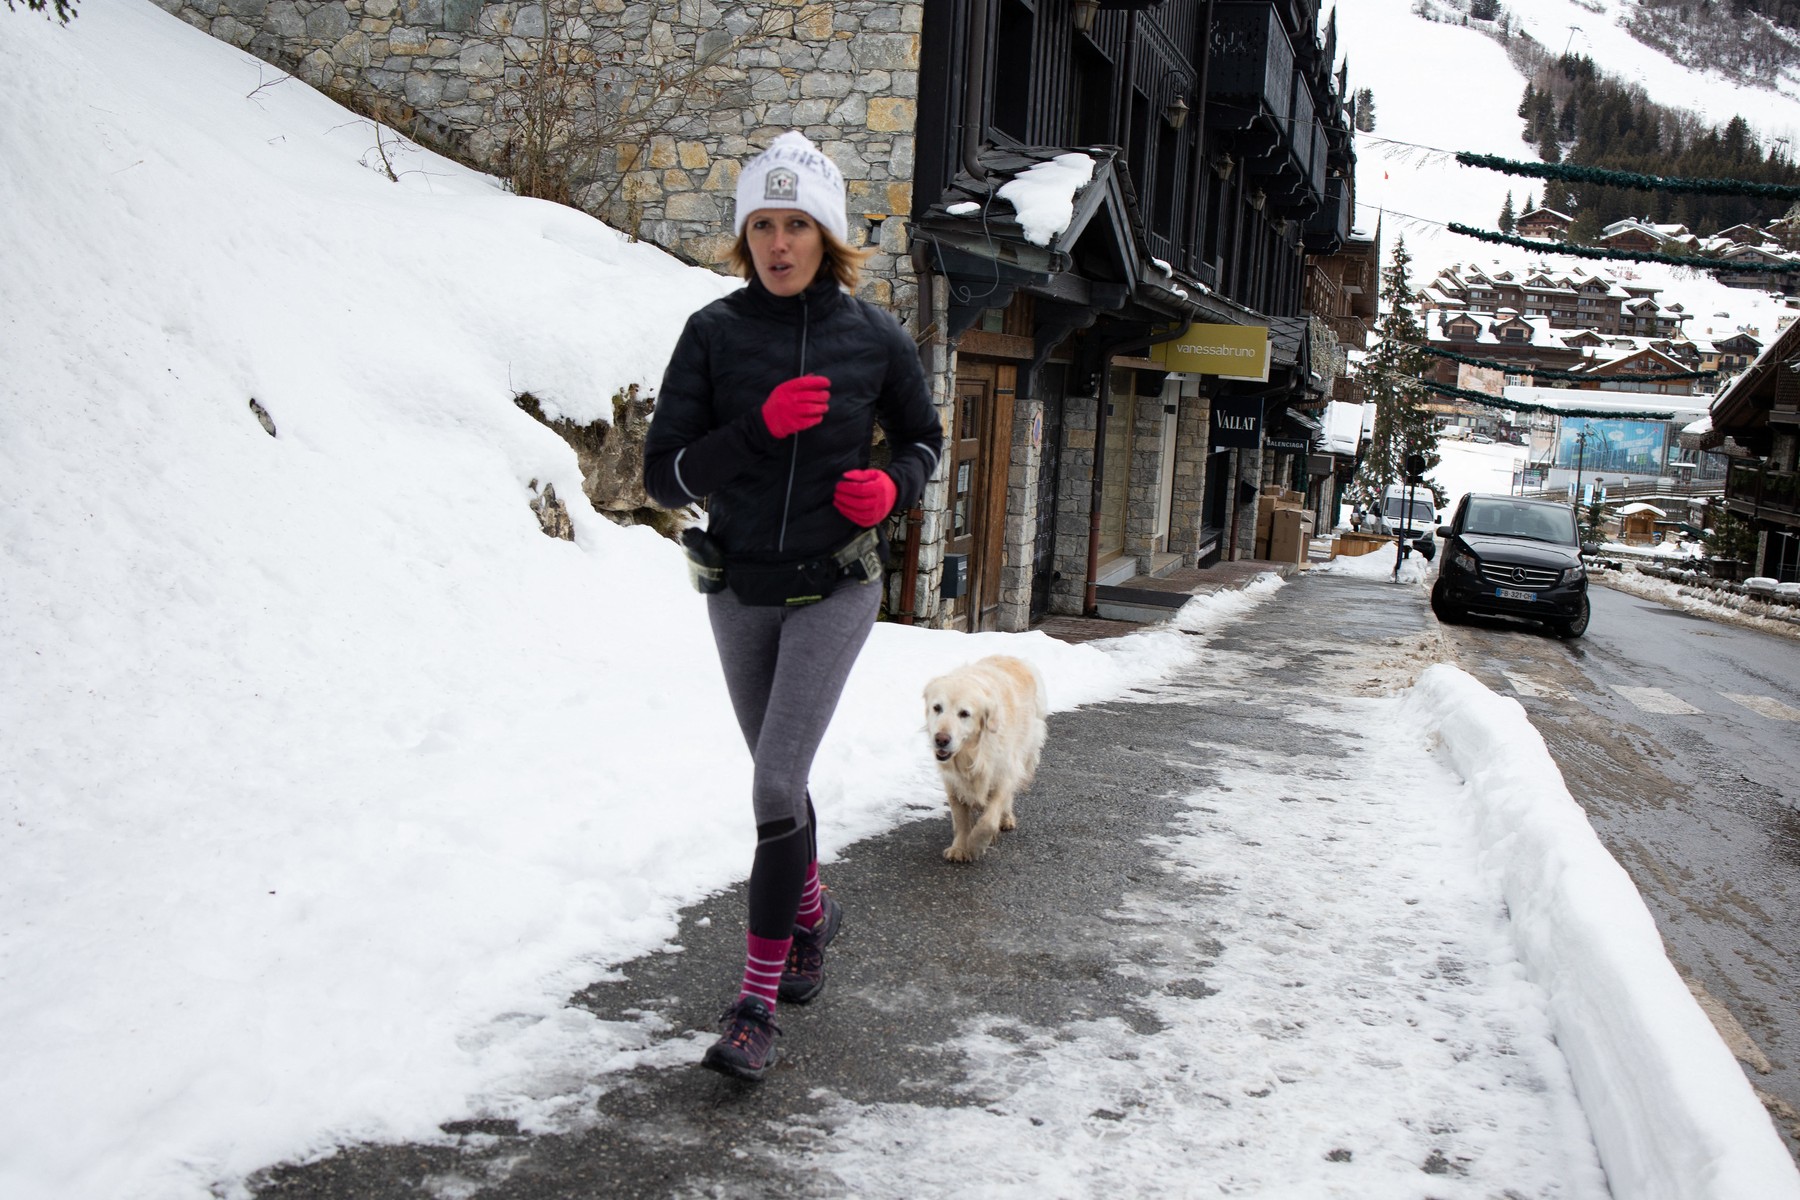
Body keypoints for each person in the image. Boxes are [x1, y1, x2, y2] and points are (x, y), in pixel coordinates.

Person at [641, 131, 943, 1082]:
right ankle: (811, 913)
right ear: (746, 237)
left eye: (796, 225)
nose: (778, 243)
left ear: (827, 235)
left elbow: (927, 441)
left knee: (774, 785)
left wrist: (891, 487)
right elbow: (662, 477)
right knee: (783, 779)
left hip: (836, 585)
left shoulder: (874, 336)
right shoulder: (714, 334)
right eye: (762, 225)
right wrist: (754, 431)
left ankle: (755, 1009)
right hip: (737, 589)